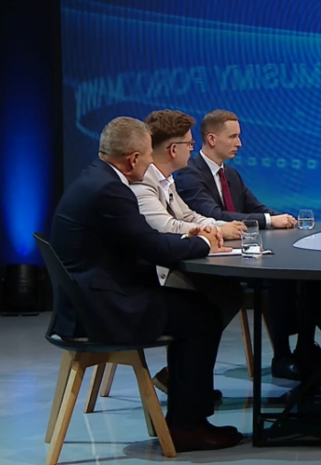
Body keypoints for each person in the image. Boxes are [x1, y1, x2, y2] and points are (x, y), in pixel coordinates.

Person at [50, 117, 242, 451]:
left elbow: (143, 241)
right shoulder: (111, 191)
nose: (153, 163)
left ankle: (184, 418)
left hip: (89, 299)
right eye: (149, 157)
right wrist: (203, 244)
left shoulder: (96, 178)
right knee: (203, 317)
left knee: (198, 307)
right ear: (133, 159)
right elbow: (153, 245)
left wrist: (195, 239)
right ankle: (187, 426)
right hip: (101, 310)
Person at [176, 110, 321, 380]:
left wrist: (282, 219)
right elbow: (215, 215)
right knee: (278, 276)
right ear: (212, 139)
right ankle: (282, 356)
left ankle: (306, 347)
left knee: (311, 271)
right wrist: (269, 220)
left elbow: (256, 207)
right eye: (233, 136)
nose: (240, 143)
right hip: (213, 258)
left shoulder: (231, 174)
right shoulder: (190, 174)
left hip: (241, 251)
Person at [130, 109, 246, 394]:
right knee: (211, 302)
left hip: (169, 264)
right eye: (190, 144)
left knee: (228, 292)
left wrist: (218, 226)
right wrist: (215, 233)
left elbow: (189, 216)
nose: (192, 150)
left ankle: (184, 379)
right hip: (151, 277)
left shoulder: (166, 179)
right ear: (173, 149)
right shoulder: (144, 182)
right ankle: (185, 385)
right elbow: (167, 226)